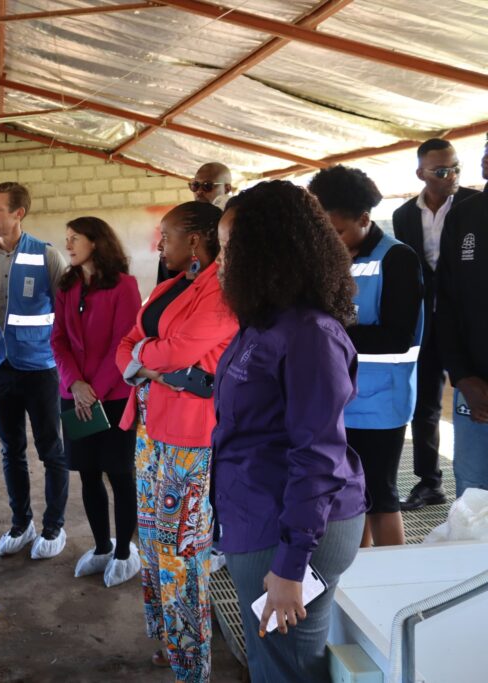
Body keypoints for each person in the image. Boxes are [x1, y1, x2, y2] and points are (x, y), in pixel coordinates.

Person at [212, 181, 366, 683]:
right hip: (260, 513)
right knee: (273, 661)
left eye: (230, 248)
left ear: (266, 252)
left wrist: (290, 565)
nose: (219, 261)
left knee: (290, 668)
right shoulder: (264, 322)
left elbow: (318, 457)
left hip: (292, 530)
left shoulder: (308, 335)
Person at [116, 202, 238, 681]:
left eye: (164, 236)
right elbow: (127, 344)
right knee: (152, 541)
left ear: (195, 240)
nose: (157, 244)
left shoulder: (221, 292)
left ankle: (193, 663)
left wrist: (149, 361)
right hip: (150, 425)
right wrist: (154, 366)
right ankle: (170, 638)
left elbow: (182, 351)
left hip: (189, 434)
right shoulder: (169, 286)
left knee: (182, 549)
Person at [309, 166, 423, 548]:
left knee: (379, 494)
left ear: (363, 218)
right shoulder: (326, 261)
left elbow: (397, 336)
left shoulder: (398, 259)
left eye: (338, 232)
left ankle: (394, 577)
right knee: (348, 495)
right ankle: (358, 574)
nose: (332, 241)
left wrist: (328, 335)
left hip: (379, 402)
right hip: (337, 398)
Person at [0, 181, 70, 559]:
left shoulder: (47, 256)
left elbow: (65, 318)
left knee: (50, 449)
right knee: (11, 451)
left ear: (18, 214)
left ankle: (53, 527)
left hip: (40, 368)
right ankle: (21, 523)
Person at [50, 217, 141, 587]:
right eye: (67, 239)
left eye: (75, 239)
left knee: (119, 474)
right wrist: (75, 384)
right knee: (87, 472)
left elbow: (126, 342)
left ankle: (123, 551)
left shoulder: (124, 286)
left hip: (114, 396)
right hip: (75, 395)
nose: (68, 245)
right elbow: (58, 340)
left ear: (97, 242)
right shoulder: (68, 285)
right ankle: (102, 545)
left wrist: (94, 389)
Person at [393, 139, 478, 509]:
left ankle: (476, 484)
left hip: (468, 320)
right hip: (427, 321)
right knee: (425, 405)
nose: (451, 176)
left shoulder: (476, 206)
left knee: (472, 398)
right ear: (421, 174)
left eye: (456, 167)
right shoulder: (403, 215)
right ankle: (430, 483)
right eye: (441, 171)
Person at [438, 134, 488, 496]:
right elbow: (447, 302)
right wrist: (463, 376)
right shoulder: (465, 216)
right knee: (472, 495)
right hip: (475, 391)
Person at [158, 162, 235, 284]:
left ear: (227, 188)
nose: (199, 191)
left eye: (207, 186)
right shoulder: (183, 221)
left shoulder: (234, 225)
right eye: (195, 185)